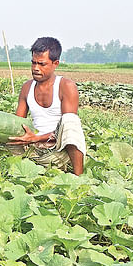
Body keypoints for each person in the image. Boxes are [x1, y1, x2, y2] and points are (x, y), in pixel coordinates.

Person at [8, 37, 86, 175]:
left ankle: (78, 177)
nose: (35, 68)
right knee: (4, 138)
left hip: (59, 151)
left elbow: (68, 131)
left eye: (42, 64)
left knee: (70, 121)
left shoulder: (66, 86)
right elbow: (17, 123)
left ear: (55, 63)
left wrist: (37, 137)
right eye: (33, 63)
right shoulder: (27, 87)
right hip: (33, 150)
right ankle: (22, 170)